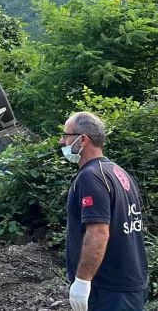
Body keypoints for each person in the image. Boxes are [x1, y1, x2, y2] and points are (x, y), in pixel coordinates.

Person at [61, 112, 148, 311]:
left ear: (82, 139)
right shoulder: (117, 172)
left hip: (110, 289)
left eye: (65, 135)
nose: (62, 141)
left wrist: (82, 281)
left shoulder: (90, 177)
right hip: (130, 281)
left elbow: (98, 232)